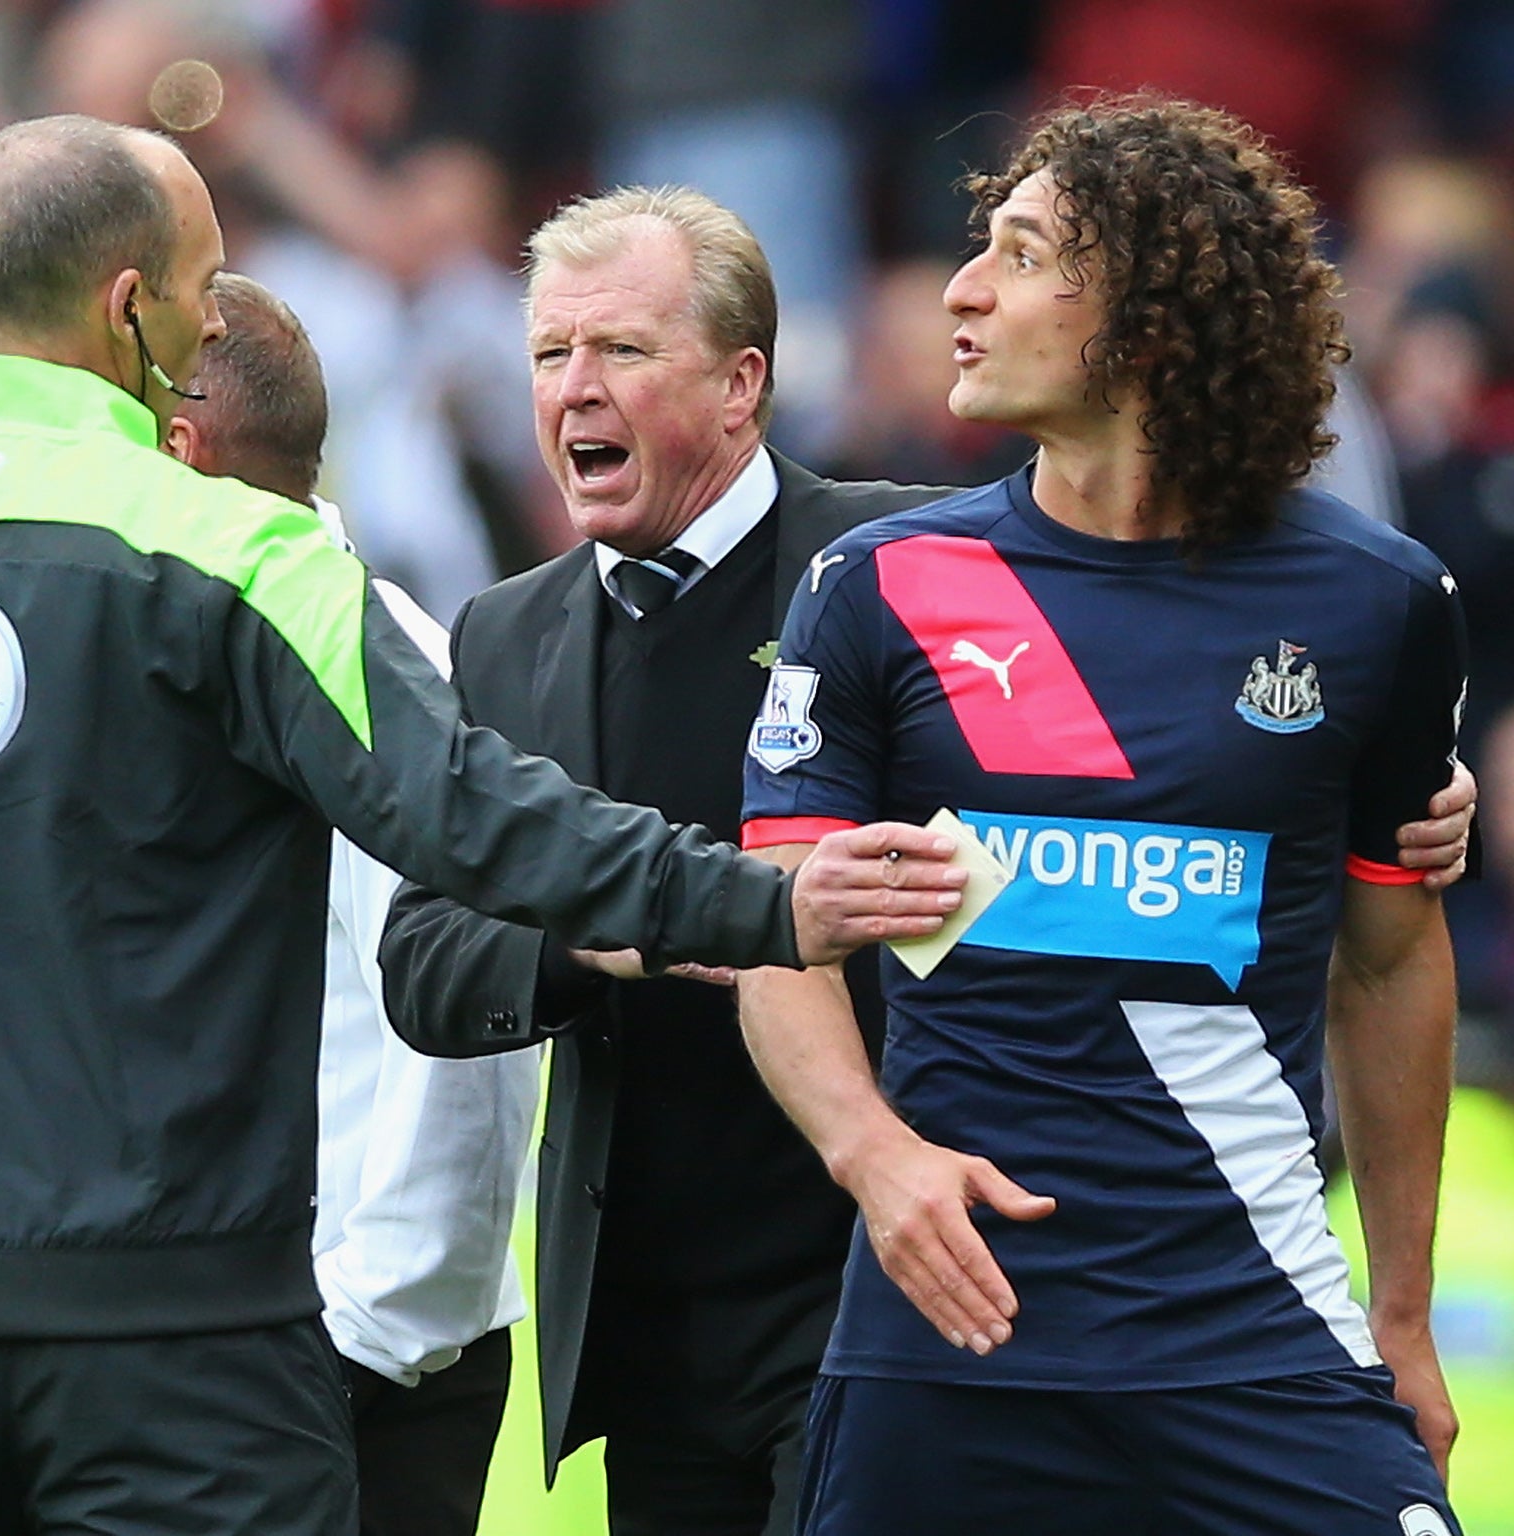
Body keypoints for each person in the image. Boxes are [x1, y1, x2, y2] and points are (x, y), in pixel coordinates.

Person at [0, 115, 957, 1536]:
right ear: (130, 306)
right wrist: (762, 901)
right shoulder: (236, 549)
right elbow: (471, 817)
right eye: (201, 279)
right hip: (186, 1357)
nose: (214, 312)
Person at [379, 184, 1479, 1536]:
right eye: (551, 355)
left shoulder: (899, 567)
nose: (573, 391)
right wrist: (640, 923)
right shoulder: (498, 635)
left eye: (620, 353)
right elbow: (425, 962)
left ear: (742, 384)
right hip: (659, 1309)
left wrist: (1367, 784)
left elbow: (1162, 721)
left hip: (912, 1267)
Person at [737, 96, 1467, 1534]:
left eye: (1019, 252)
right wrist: (874, 1158)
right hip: (951, 1342)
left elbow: (1391, 961)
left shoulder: (1377, 602)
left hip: (1254, 1334)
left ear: (1144, 320)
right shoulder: (876, 588)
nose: (961, 288)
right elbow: (782, 933)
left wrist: (1403, 1314)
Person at [165, 271, 533, 1536]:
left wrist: (363, 1343)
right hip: (211, 1350)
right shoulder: (193, 655)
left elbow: (457, 1031)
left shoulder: (374, 664)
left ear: (179, 446)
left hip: (340, 1374)